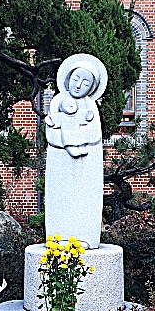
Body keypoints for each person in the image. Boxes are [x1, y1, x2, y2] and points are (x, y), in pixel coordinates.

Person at [44, 54, 107, 249]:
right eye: (76, 79)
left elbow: (94, 134)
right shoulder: (57, 101)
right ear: (68, 78)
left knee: (85, 199)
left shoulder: (90, 106)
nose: (79, 85)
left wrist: (72, 135)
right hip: (60, 163)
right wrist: (67, 139)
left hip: (87, 165)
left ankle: (86, 236)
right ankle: (58, 238)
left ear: (92, 88)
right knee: (60, 199)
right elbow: (51, 133)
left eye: (86, 83)